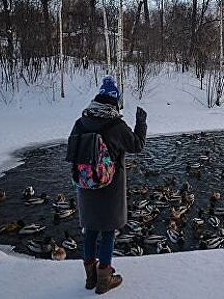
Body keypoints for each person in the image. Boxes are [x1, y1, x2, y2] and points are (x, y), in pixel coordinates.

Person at [70, 75, 147, 294]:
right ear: (115, 100)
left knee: (90, 230)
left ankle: (90, 277)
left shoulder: (81, 122)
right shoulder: (116, 125)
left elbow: (72, 152)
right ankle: (104, 278)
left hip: (85, 185)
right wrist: (141, 123)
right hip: (109, 187)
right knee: (108, 231)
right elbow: (137, 145)